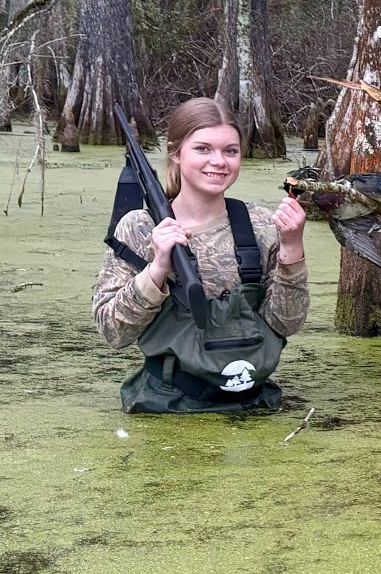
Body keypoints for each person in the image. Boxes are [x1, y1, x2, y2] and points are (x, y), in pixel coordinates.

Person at [93, 98, 309, 414]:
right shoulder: (140, 227)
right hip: (167, 408)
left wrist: (292, 248)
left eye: (230, 151)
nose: (219, 161)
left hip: (255, 405)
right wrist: (157, 269)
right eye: (203, 149)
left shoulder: (260, 224)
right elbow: (113, 332)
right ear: (176, 153)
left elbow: (285, 324)